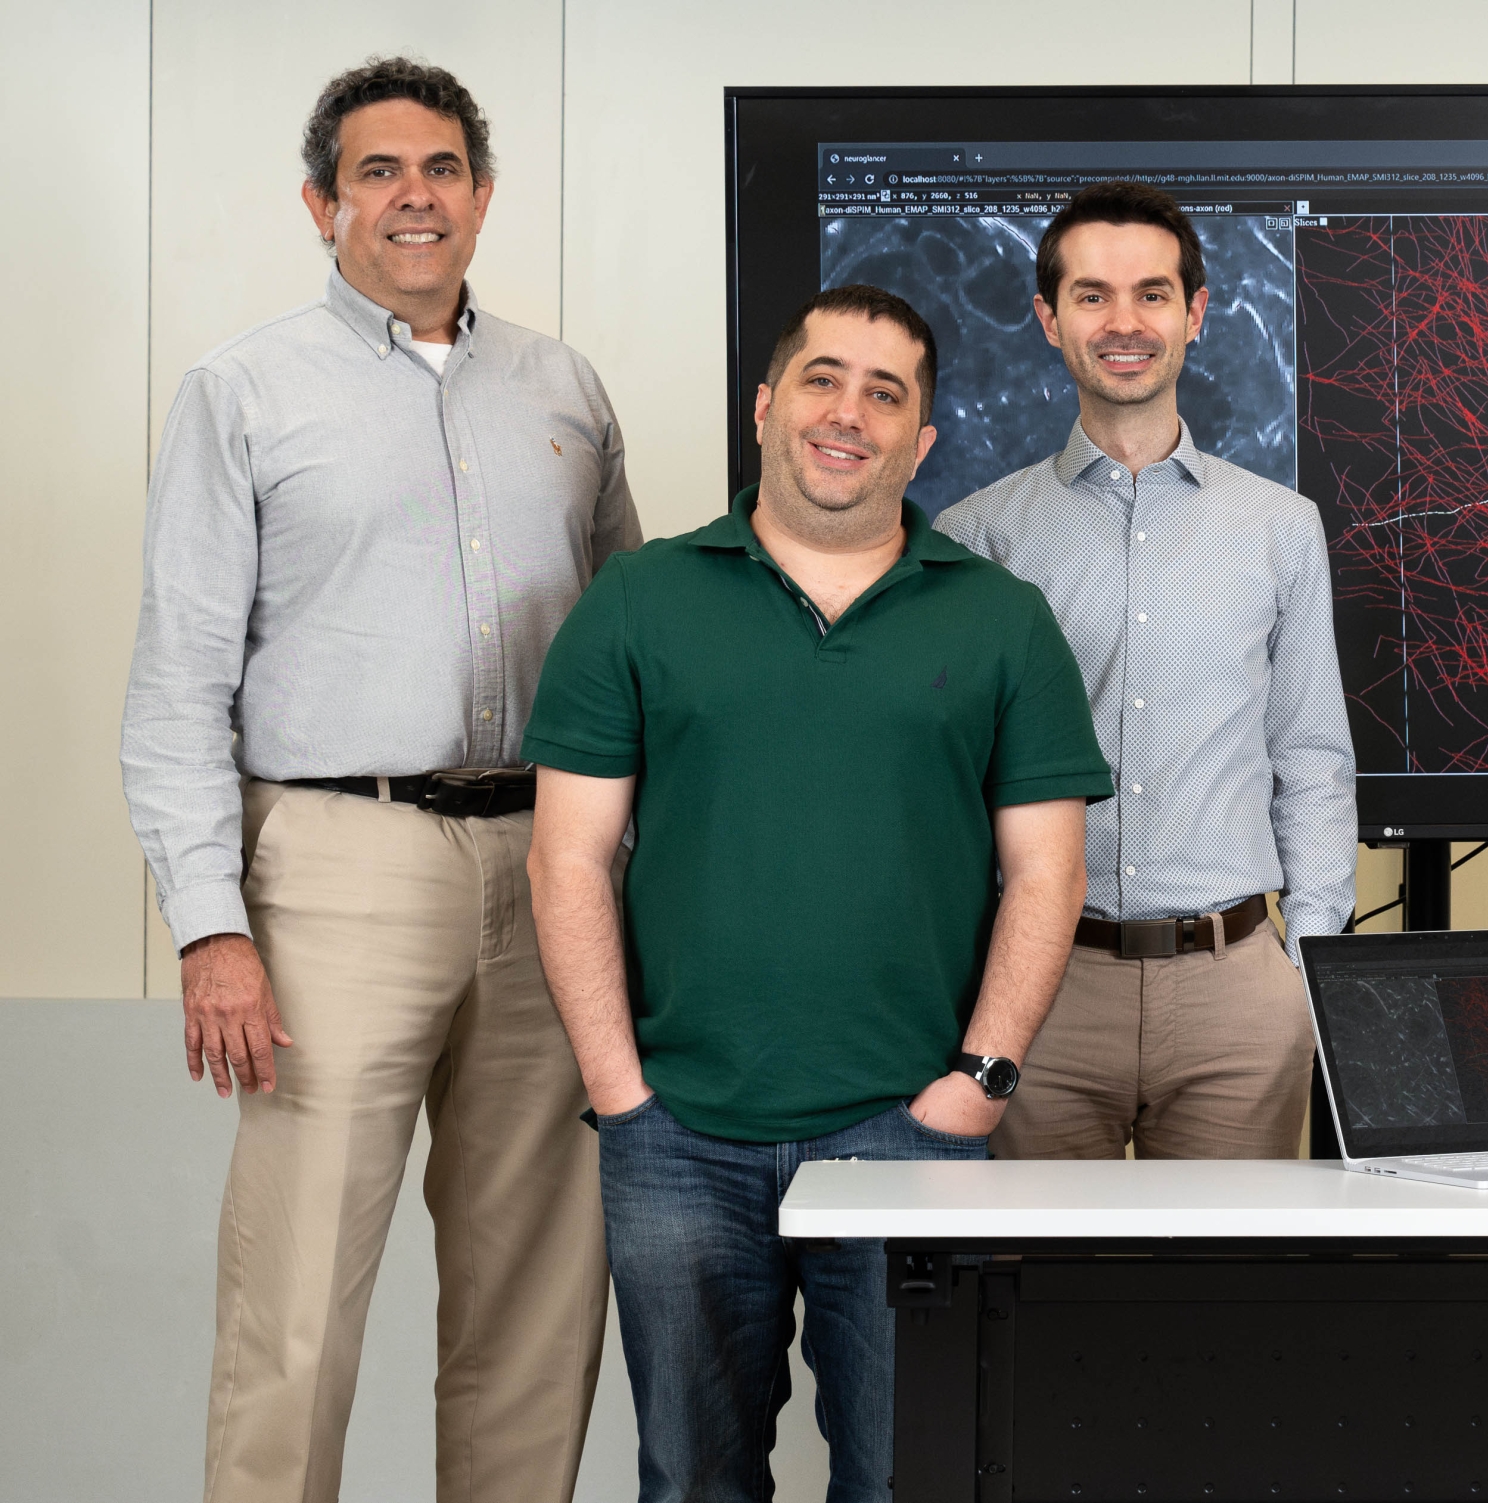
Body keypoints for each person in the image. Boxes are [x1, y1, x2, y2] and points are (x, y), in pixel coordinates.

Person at [119, 58, 638, 1503]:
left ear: (482, 196)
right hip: (336, 863)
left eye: (441, 170)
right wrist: (210, 922)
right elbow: (175, 683)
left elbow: (627, 654)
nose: (415, 197)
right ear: (321, 202)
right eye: (378, 173)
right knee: (296, 1303)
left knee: (538, 1295)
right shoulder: (242, 392)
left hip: (548, 866)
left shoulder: (565, 387)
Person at [525, 283, 1110, 1501]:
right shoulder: (639, 600)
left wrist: (982, 1081)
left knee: (915, 1479)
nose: (849, 413)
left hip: (910, 1129)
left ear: (923, 440)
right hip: (676, 1135)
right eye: (823, 380)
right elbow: (568, 857)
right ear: (766, 406)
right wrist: (619, 1093)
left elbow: (1047, 870)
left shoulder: (1003, 622)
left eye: (885, 394)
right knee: (692, 1483)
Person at [937, 181, 1356, 1161]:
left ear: (1196, 313)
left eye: (1152, 293)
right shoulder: (977, 538)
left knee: (1218, 1309)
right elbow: (949, 783)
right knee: (1040, 1300)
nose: (1123, 322)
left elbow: (1308, 750)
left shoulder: (1279, 528)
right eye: (1091, 295)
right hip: (1043, 987)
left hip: (1236, 999)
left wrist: (1312, 958)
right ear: (1048, 319)